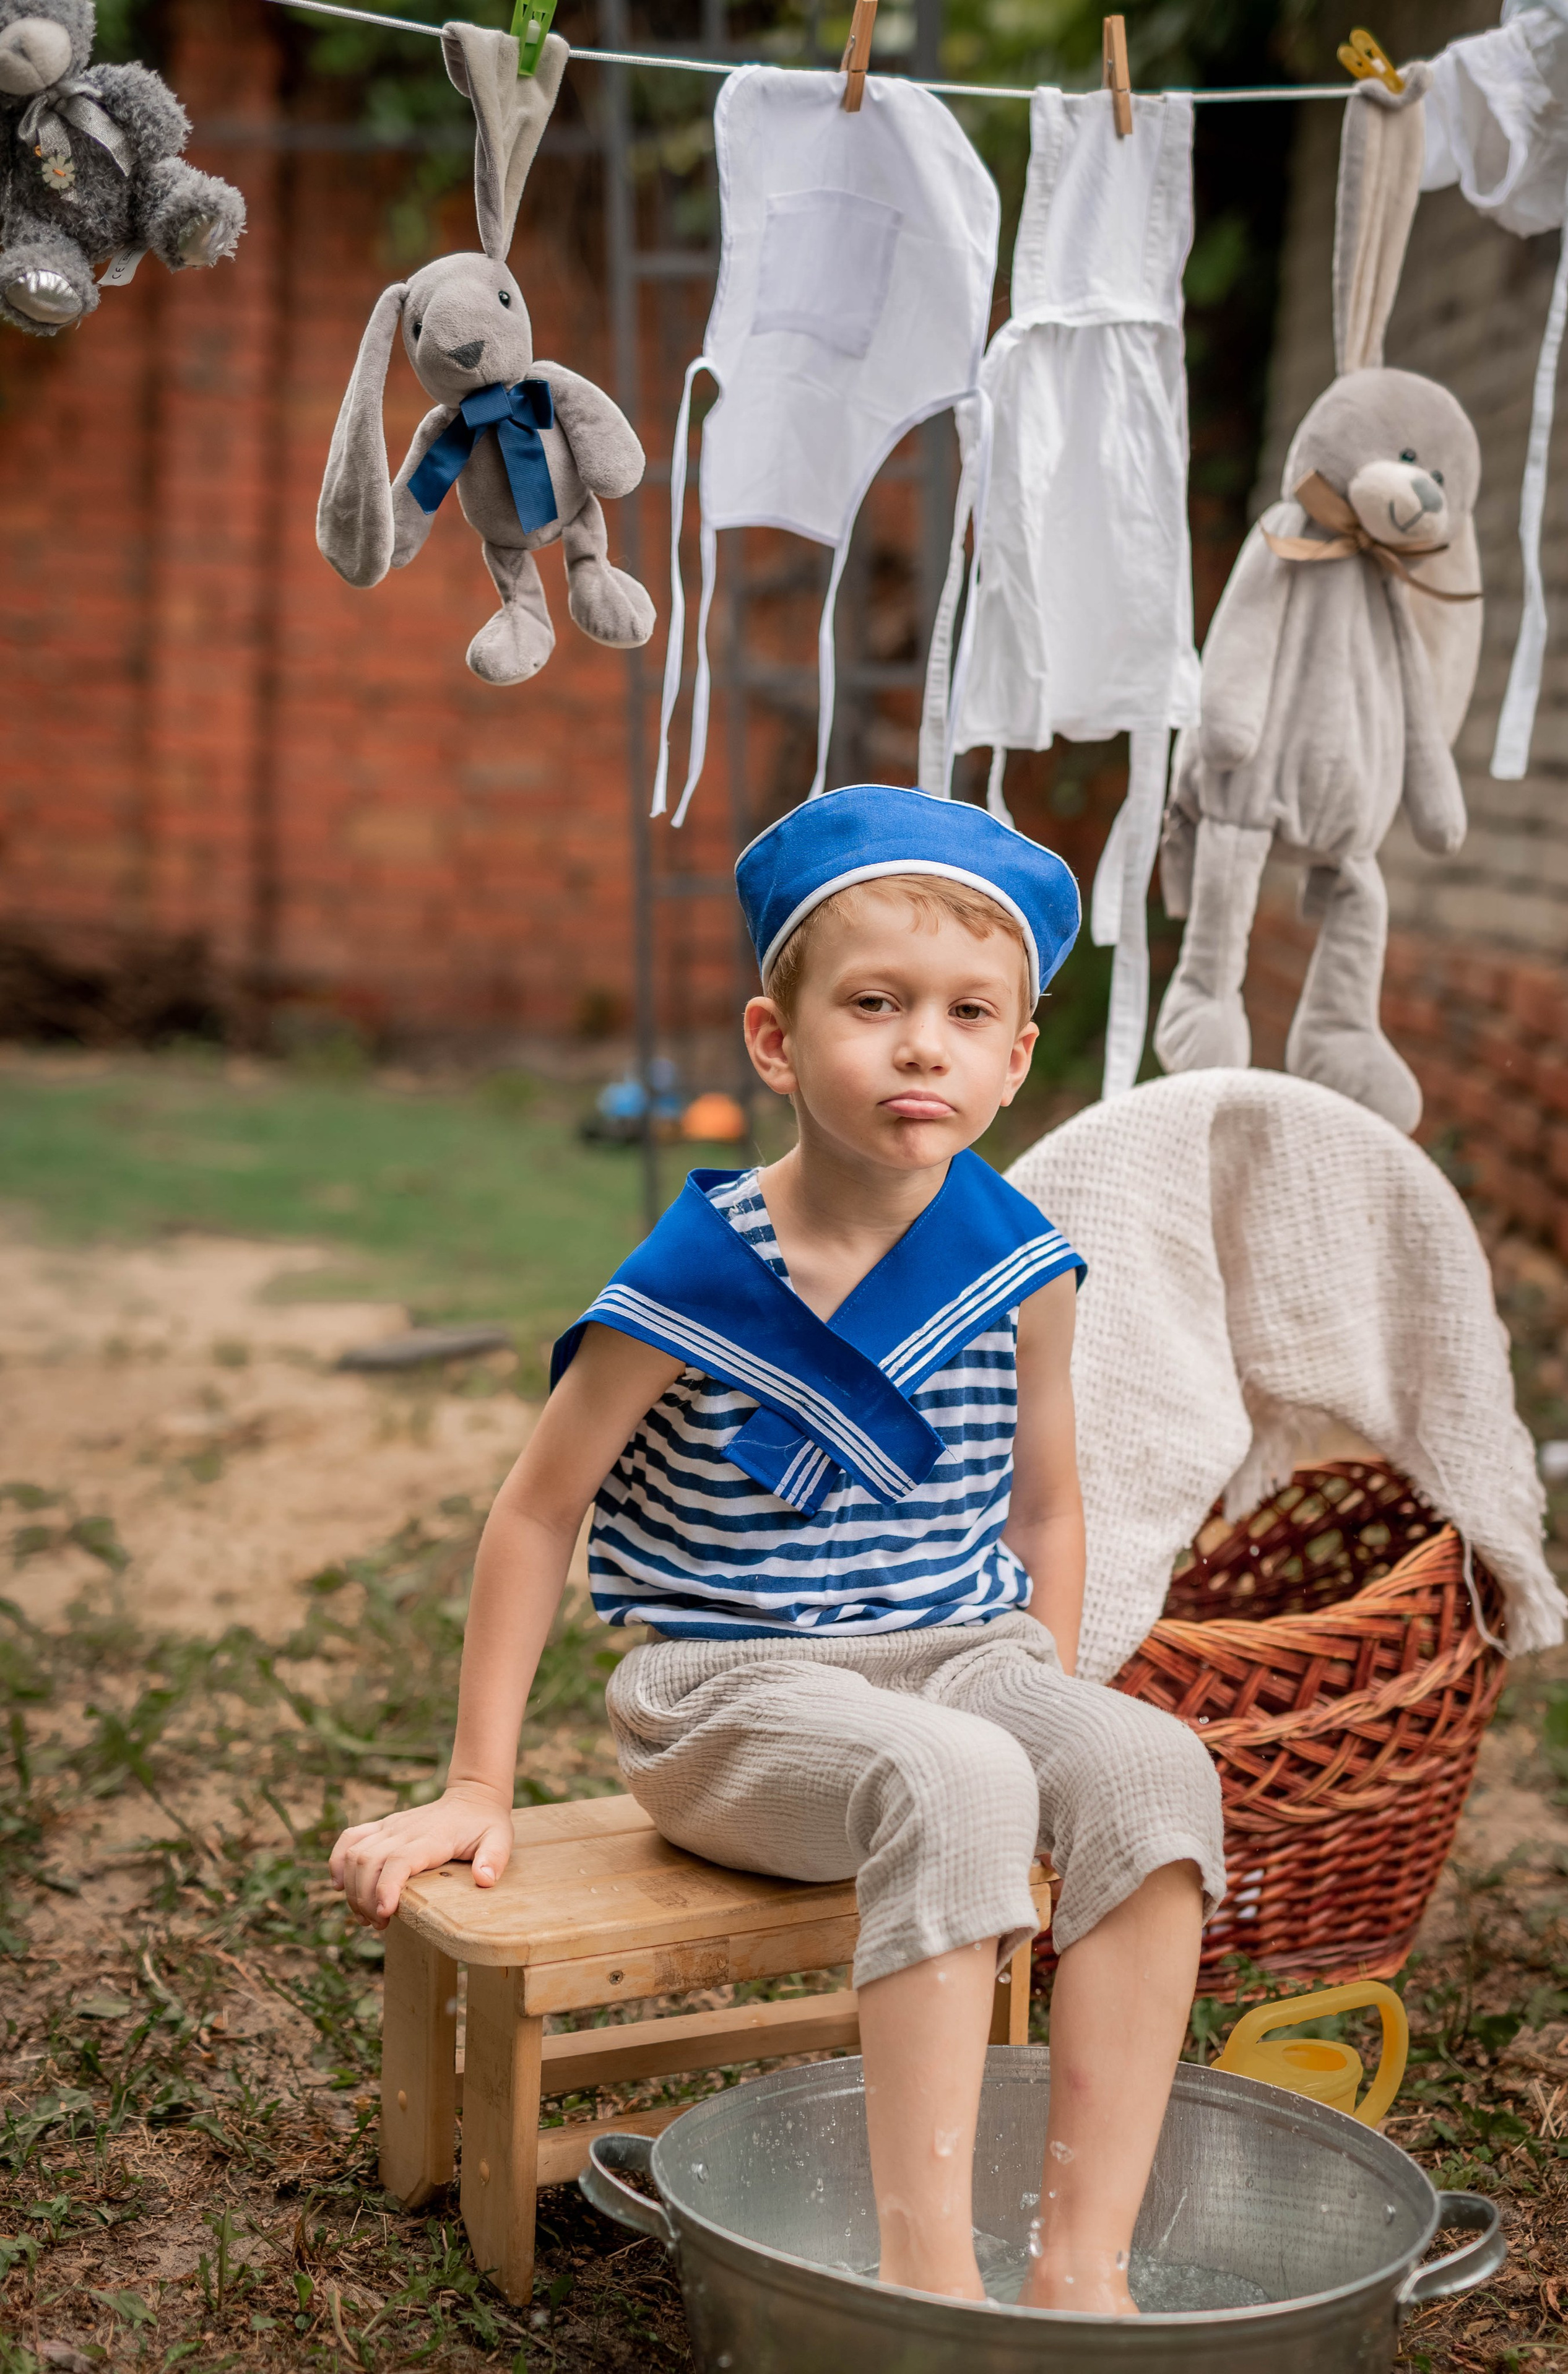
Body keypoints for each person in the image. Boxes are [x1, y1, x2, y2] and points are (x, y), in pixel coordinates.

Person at [331, 784, 1224, 2316]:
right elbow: (536, 1508)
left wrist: (1057, 1705)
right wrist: (477, 1782)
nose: (919, 1044)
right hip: (733, 1699)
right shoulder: (692, 1276)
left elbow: (1046, 1509)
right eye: (874, 1004)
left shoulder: (1020, 1265)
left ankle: (1081, 2271)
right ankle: (921, 2291)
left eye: (964, 1014)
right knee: (955, 1777)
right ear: (775, 1040)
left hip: (959, 1664)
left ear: (1016, 1058)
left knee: (1154, 1767)